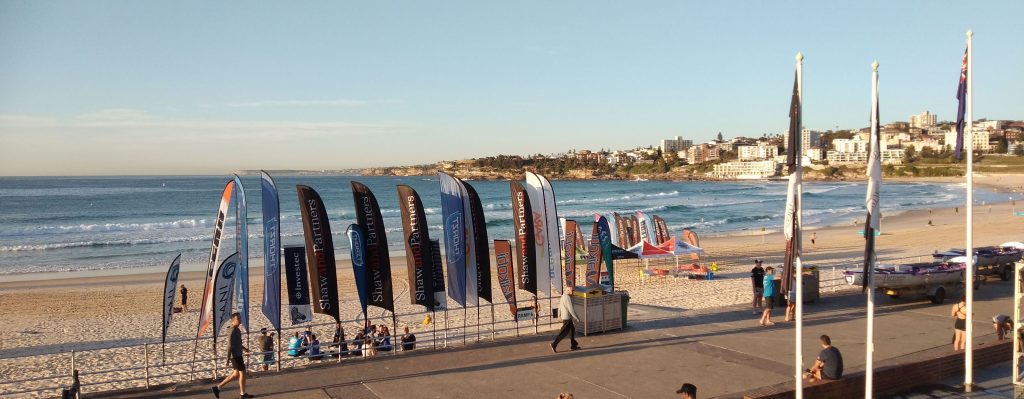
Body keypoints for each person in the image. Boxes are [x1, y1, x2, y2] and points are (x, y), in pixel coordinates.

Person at [212, 313, 252, 398]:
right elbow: (229, 345)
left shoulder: (237, 330)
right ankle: (242, 394)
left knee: (235, 374)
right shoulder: (233, 331)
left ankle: (217, 388)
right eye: (238, 319)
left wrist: (245, 349)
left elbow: (237, 343)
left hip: (238, 354)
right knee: (243, 373)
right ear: (233, 320)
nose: (240, 320)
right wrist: (227, 359)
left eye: (240, 318)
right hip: (235, 356)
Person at [550, 286, 581, 352]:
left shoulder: (563, 296)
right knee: (563, 333)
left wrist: (559, 315)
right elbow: (571, 309)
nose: (573, 292)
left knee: (572, 331)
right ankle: (554, 344)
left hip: (566, 317)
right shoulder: (567, 298)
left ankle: (573, 345)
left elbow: (559, 306)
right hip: (567, 318)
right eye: (571, 291)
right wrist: (576, 318)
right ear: (568, 291)